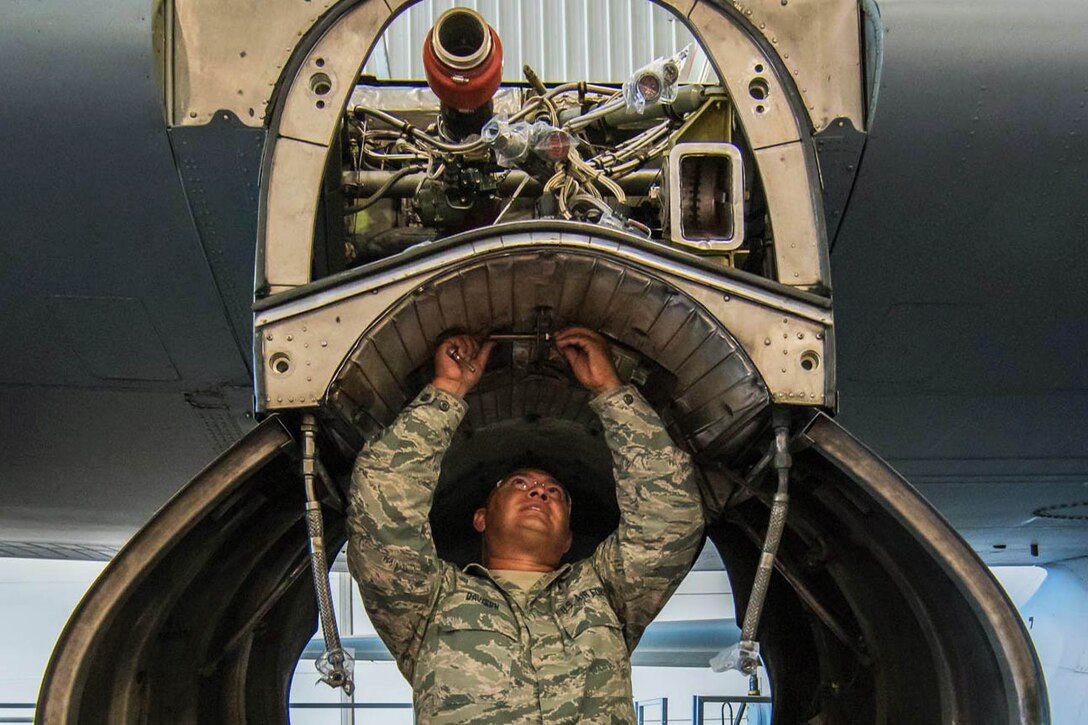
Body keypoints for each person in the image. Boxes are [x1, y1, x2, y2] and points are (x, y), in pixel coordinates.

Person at [347, 326, 703, 724]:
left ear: (568, 538)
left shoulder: (607, 592)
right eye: (519, 484)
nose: (539, 493)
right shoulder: (429, 603)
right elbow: (382, 507)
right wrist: (446, 391)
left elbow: (669, 520)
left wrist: (610, 391)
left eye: (555, 492)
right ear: (481, 517)